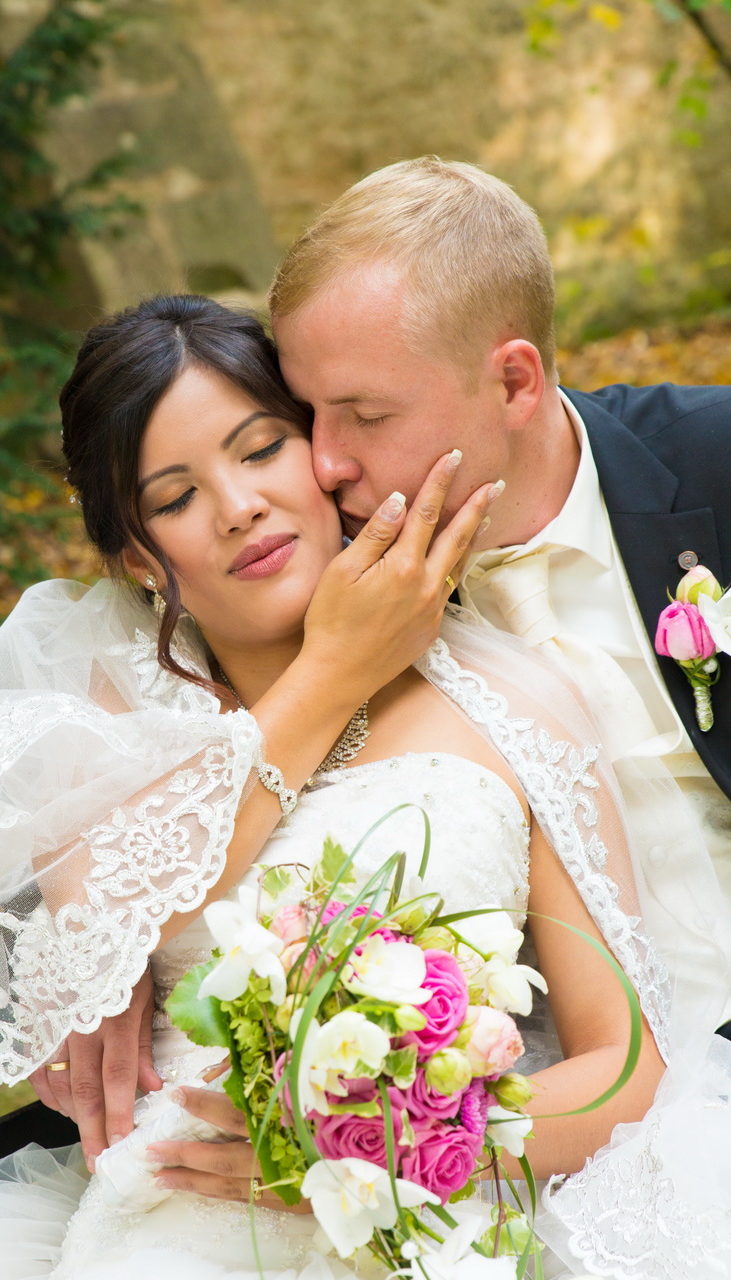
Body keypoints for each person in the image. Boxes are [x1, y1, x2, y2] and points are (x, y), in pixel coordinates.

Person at [0, 296, 728, 1280]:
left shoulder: (510, 701)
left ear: (319, 455)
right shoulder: (100, 728)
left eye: (260, 447)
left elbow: (626, 1072)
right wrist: (327, 674)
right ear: (139, 555)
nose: (238, 508)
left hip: (441, 1237)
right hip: (166, 1266)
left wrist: (401, 1154)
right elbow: (88, 962)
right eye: (176, 497)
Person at [50, 159, 731, 1158]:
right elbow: (92, 869)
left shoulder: (714, 460)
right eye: (306, 415)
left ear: (511, 381)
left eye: (363, 417)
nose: (323, 465)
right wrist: (99, 967)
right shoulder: (323, 588)